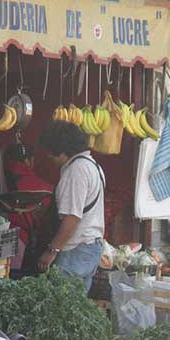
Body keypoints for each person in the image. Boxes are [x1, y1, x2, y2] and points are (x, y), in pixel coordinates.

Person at [35, 120, 105, 292]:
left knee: (62, 308)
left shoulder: (76, 170)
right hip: (89, 247)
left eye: (49, 152)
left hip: (76, 250)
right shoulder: (92, 165)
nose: (48, 157)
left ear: (60, 149)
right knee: (75, 307)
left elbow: (72, 217)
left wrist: (51, 251)